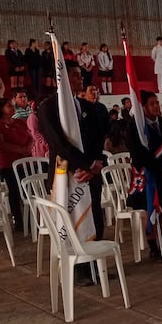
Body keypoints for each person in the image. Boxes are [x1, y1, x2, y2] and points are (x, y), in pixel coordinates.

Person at [38, 66, 106, 284]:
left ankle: (95, 266)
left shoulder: (87, 105)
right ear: (62, 78)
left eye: (80, 74)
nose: (79, 78)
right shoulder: (48, 107)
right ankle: (78, 269)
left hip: (90, 174)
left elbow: (98, 137)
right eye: (74, 75)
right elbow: (58, 143)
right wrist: (84, 164)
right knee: (71, 222)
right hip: (66, 174)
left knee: (94, 218)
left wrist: (95, 164)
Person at [126, 90, 162, 260]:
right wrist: (159, 168)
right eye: (152, 103)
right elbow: (138, 154)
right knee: (149, 211)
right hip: (148, 176)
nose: (156, 106)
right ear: (142, 107)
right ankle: (154, 248)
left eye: (157, 102)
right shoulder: (136, 128)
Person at [0, 97, 33, 231]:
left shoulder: (18, 121)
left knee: (27, 190)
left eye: (13, 106)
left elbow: (30, 137)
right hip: (9, 164)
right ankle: (19, 221)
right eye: (9, 106)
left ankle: (30, 218)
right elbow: (0, 144)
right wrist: (20, 149)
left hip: (25, 162)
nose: (13, 108)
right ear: (1, 109)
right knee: (15, 192)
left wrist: (28, 147)